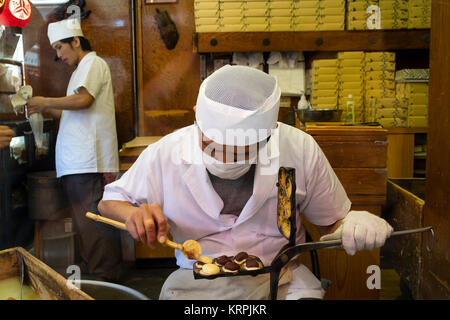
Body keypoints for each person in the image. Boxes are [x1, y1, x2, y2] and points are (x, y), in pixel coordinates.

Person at [98, 65, 393, 299]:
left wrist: (353, 225)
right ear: (196, 117)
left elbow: (331, 223)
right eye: (210, 143)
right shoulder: (167, 152)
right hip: (198, 282)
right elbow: (109, 202)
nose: (224, 157)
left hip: (282, 279)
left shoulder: (298, 149)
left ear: (270, 132)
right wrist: (133, 214)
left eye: (241, 148)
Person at [27, 18, 122, 281]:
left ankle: (106, 282)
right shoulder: (80, 70)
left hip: (87, 161)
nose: (59, 55)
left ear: (76, 41)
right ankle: (101, 276)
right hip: (78, 162)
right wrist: (44, 107)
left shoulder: (93, 63)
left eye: (60, 47)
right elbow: (72, 111)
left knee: (92, 223)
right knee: (87, 224)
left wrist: (46, 99)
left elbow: (84, 100)